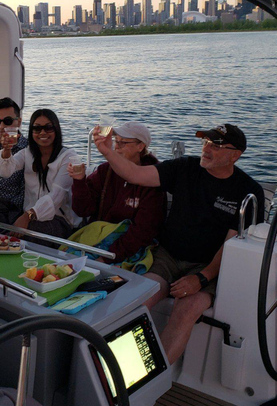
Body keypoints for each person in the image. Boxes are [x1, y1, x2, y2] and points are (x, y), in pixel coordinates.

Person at [93, 123, 263, 365]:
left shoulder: (248, 192)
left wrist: (201, 278)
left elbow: (231, 246)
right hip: (168, 257)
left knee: (186, 310)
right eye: (205, 142)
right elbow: (135, 174)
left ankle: (152, 377)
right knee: (139, 298)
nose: (206, 149)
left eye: (215, 145)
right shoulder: (185, 168)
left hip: (210, 268)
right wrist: (107, 151)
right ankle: (119, 370)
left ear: (235, 155)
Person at [68, 121, 165, 263]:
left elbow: (143, 231)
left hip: (129, 250)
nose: (117, 147)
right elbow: (82, 210)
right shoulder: (105, 171)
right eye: (116, 141)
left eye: (123, 143)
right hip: (99, 241)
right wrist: (79, 181)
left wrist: (106, 258)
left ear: (141, 146)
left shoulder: (153, 180)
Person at [0, 109, 80, 239]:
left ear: (56, 129)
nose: (43, 132)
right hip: (30, 217)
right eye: (37, 128)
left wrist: (28, 215)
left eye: (48, 127)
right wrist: (7, 150)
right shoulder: (27, 153)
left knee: (21, 235)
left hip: (60, 220)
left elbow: (57, 196)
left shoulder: (67, 157)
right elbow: (6, 171)